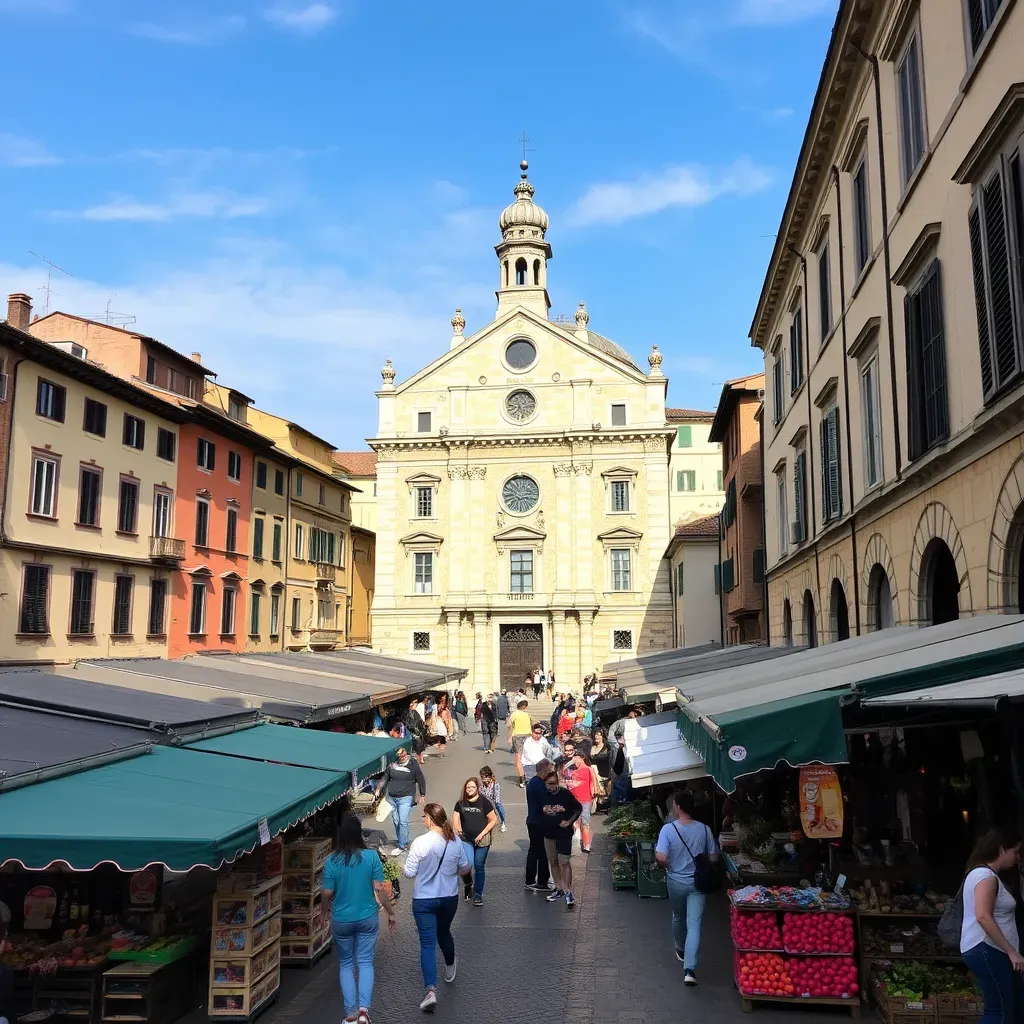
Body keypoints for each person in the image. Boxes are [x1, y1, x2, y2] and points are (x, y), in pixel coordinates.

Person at [322, 814, 397, 1024]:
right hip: (367, 917)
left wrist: (324, 912)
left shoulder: (331, 861)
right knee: (365, 962)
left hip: (342, 920)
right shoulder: (371, 857)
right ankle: (364, 1010)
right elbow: (380, 890)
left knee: (346, 963)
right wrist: (390, 913)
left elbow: (327, 893)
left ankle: (351, 1013)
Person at [403, 803, 472, 1013]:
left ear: (431, 820)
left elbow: (408, 872)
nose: (422, 820)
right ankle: (450, 965)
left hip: (423, 900)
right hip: (448, 897)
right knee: (444, 932)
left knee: (427, 944)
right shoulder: (454, 841)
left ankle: (431, 990)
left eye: (424, 816)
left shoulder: (420, 843)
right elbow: (466, 867)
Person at [655, 788, 721, 986]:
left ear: (677, 807)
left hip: (675, 880)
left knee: (677, 915)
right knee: (695, 924)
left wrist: (667, 865)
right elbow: (714, 856)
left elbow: (660, 857)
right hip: (698, 883)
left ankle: (680, 948)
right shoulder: (704, 829)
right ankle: (690, 970)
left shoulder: (668, 829)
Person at [960, 827, 1024, 1022]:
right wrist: (1011, 951)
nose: (1018, 858)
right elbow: (983, 916)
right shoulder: (985, 877)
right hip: (988, 948)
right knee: (1000, 1012)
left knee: (1008, 1008)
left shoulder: (983, 874)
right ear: (1002, 849)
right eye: (1016, 851)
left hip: (989, 950)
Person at [539, 768, 582, 910]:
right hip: (548, 833)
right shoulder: (543, 794)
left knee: (564, 861)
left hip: (563, 834)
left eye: (552, 784)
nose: (550, 787)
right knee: (553, 860)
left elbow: (578, 808)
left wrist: (569, 822)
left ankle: (568, 891)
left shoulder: (565, 794)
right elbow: (539, 810)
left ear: (557, 783)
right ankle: (559, 888)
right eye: (547, 784)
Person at [452, 777, 498, 907]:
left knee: (479, 866)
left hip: (482, 841)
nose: (470, 789)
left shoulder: (484, 802)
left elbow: (493, 820)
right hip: (466, 839)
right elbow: (455, 816)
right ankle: (468, 883)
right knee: (467, 864)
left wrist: (482, 834)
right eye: (468, 787)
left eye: (472, 787)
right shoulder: (461, 803)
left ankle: (478, 894)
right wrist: (457, 827)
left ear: (477, 788)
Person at [376, 746, 427, 856]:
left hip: (406, 797)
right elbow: (385, 777)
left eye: (404, 755)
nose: (402, 757)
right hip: (392, 798)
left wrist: (422, 794)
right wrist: (378, 788)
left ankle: (402, 845)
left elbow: (420, 779)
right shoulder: (392, 764)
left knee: (403, 821)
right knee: (396, 821)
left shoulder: (413, 764)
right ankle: (402, 840)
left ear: (407, 754)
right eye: (400, 756)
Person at [560, 742, 595, 853]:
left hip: (585, 800)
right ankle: (575, 841)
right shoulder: (567, 768)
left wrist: (593, 795)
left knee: (585, 822)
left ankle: (586, 844)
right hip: (573, 799)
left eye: (577, 758)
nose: (575, 760)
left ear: (582, 758)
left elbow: (593, 783)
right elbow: (563, 780)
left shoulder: (588, 769)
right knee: (574, 822)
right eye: (574, 758)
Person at [524, 759, 553, 892]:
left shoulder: (532, 783)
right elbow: (546, 805)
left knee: (534, 851)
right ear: (544, 770)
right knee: (541, 852)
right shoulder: (539, 785)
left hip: (532, 820)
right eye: (548, 770)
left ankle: (530, 880)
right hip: (539, 822)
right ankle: (541, 881)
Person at [508, 699, 533, 788]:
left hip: (517, 736)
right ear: (525, 707)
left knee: (518, 758)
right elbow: (532, 725)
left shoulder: (514, 714)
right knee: (527, 756)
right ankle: (529, 777)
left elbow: (509, 725)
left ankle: (522, 779)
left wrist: (509, 736)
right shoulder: (527, 715)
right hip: (528, 736)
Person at [478, 765, 506, 834]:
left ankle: (502, 821)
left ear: (490, 776)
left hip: (493, 803)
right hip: (484, 803)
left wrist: (492, 805)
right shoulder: (481, 786)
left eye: (486, 776)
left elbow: (497, 798)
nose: (484, 778)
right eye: (482, 776)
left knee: (499, 805)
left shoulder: (496, 785)